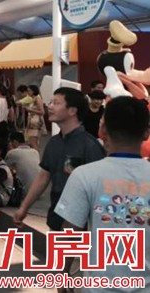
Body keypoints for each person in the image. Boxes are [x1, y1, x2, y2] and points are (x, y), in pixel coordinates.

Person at [54, 96, 150, 290]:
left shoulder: (85, 175)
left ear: (103, 130)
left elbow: (70, 231)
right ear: (146, 133)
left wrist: (63, 275)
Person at [13, 87, 105, 231]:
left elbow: (100, 189)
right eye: (51, 102)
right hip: (56, 218)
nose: (50, 106)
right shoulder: (54, 143)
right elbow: (44, 176)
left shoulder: (90, 146)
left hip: (81, 226)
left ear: (72, 111)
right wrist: (24, 207)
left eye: (56, 103)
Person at [5, 132, 40, 196]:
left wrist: (9, 150)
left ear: (14, 142)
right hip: (39, 191)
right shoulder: (35, 152)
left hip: (25, 192)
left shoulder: (12, 153)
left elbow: (4, 168)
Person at [23, 84, 46, 150]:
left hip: (35, 123)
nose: (28, 92)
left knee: (33, 142)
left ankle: (36, 155)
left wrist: (30, 110)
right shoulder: (33, 98)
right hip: (31, 122)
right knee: (31, 142)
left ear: (33, 91)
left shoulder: (38, 99)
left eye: (29, 91)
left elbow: (42, 112)